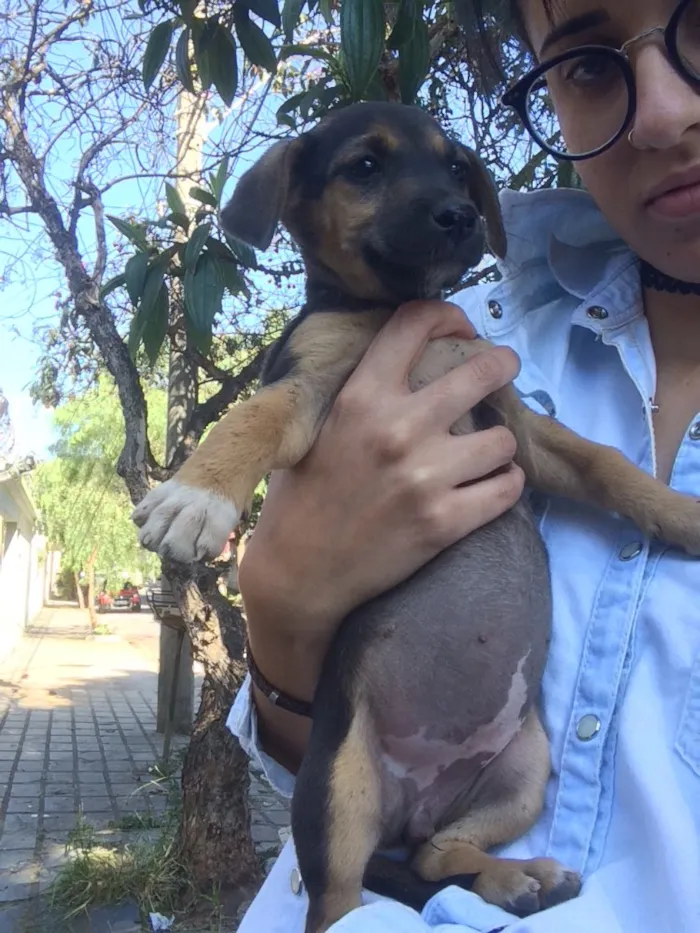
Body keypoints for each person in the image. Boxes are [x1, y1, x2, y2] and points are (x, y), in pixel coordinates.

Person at [228, 0, 700, 930]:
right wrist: (280, 611)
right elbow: (307, 739)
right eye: (590, 65)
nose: (663, 112)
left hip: (495, 795)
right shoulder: (487, 333)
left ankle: (456, 855)